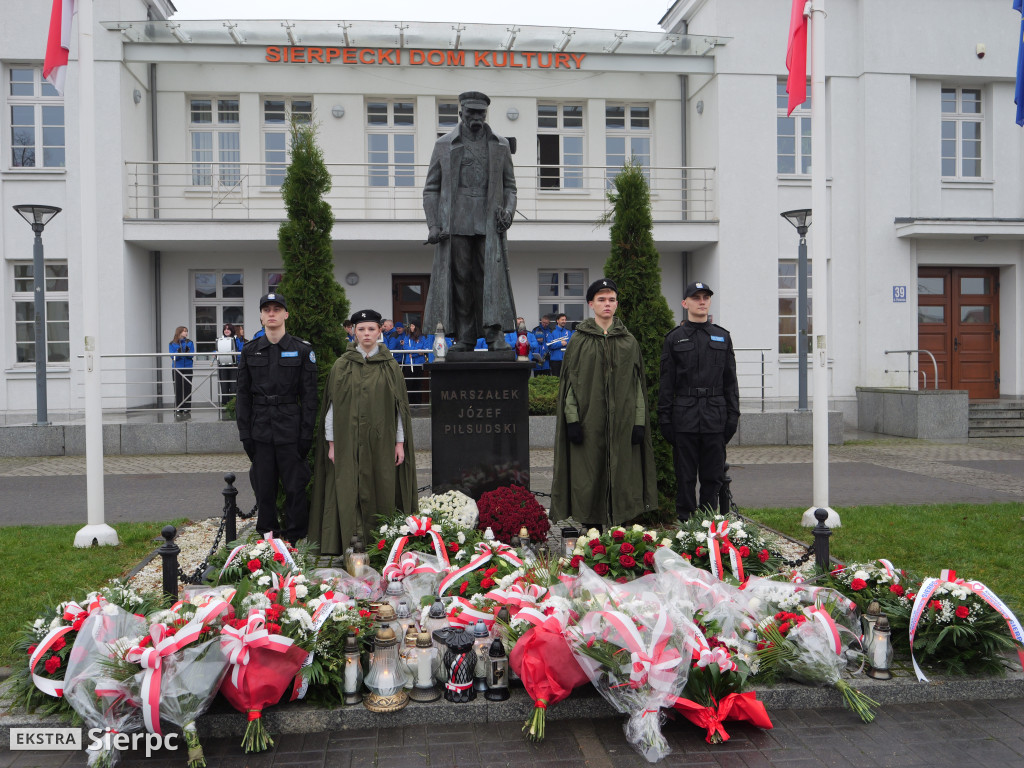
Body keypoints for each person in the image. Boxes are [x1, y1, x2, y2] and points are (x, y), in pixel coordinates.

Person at [309, 309, 417, 555]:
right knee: (349, 488)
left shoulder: (390, 366)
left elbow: (400, 409)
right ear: (353, 332)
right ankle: (348, 541)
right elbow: (331, 408)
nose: (366, 334)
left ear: (380, 331)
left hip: (382, 441)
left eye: (371, 329)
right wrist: (332, 444)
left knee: (383, 486)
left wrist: (399, 443)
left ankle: (382, 542)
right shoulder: (342, 366)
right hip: (348, 441)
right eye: (361, 329)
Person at [550, 279, 657, 527]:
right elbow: (570, 386)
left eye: (611, 300)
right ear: (591, 304)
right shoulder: (579, 341)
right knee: (589, 476)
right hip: (589, 423)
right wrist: (572, 419)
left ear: (617, 304)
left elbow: (637, 386)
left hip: (623, 424)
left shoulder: (628, 342)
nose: (607, 304)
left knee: (623, 475)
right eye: (601, 300)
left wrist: (639, 422)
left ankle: (621, 532)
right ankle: (591, 530)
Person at [423, 91, 517, 352]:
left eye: (480, 113)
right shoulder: (444, 145)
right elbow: (431, 188)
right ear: (460, 113)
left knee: (490, 279)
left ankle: (493, 334)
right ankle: (465, 336)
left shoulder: (500, 145)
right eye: (471, 113)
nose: (476, 118)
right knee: (461, 279)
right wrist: (433, 225)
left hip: (489, 222)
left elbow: (510, 187)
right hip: (455, 224)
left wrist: (508, 212)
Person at [235, 293, 318, 543]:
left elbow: (310, 398)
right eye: (267, 309)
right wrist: (245, 433)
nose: (271, 313)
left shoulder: (302, 350)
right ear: (261, 316)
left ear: (285, 315)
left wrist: (306, 435)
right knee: (264, 488)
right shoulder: (250, 351)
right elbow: (242, 395)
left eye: (277, 309)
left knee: (294, 488)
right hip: (260, 430)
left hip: (290, 430)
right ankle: (267, 539)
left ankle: (295, 539)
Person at [658, 281, 739, 521]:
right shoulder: (674, 338)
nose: (702, 301)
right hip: (684, 417)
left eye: (705, 297)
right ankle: (685, 523)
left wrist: (733, 416)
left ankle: (706, 524)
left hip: (715, 416)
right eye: (696, 297)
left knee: (712, 476)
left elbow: (730, 381)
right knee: (685, 476)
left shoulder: (722, 337)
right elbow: (667, 382)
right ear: (685, 304)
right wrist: (665, 417)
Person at [168, 326, 194, 413]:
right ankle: (178, 407)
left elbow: (192, 355)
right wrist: (178, 352)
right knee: (178, 388)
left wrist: (187, 352)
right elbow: (173, 356)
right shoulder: (172, 344)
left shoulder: (190, 342)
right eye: (184, 331)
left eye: (186, 331)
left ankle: (187, 407)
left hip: (188, 367)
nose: (186, 333)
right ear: (179, 332)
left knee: (187, 387)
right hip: (177, 368)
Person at [216, 322, 239, 405]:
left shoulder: (236, 339)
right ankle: (224, 406)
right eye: (225, 329)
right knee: (224, 386)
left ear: (232, 330)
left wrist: (237, 361)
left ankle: (233, 406)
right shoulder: (220, 340)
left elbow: (241, 350)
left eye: (228, 329)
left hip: (234, 366)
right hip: (223, 366)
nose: (226, 331)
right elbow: (216, 350)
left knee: (233, 387)